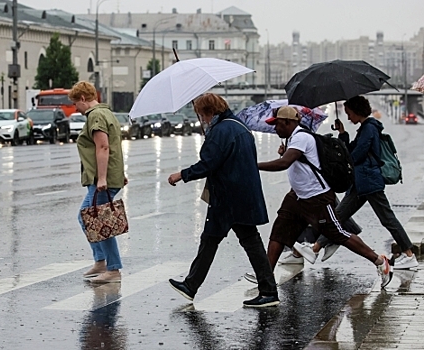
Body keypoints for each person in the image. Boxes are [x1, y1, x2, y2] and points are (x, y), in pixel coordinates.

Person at [255, 106, 393, 289]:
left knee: (339, 234)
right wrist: (285, 151)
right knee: (279, 234)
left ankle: (380, 262)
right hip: (297, 197)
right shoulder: (293, 138)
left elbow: (284, 163)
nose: (275, 128)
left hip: (317, 197)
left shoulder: (302, 137)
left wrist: (253, 165)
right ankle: (266, 280)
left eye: (277, 124)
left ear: (289, 122)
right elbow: (294, 161)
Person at [167, 93, 279, 308]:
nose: (202, 119)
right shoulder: (238, 126)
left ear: (209, 112)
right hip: (240, 193)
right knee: (231, 240)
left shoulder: (221, 131)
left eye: (202, 114)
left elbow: (209, 163)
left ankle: (268, 291)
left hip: (228, 196)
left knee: (220, 241)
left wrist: (182, 174)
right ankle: (192, 285)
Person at [295, 96, 418, 269]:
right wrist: (343, 134)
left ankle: (409, 255)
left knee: (387, 219)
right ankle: (315, 248)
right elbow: (352, 149)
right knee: (337, 217)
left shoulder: (370, 128)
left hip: (368, 181)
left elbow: (357, 154)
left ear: (356, 111)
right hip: (361, 183)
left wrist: (344, 162)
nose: (348, 117)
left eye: (349, 113)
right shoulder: (364, 128)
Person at [70, 81, 127, 283]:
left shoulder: (95, 116)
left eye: (76, 103)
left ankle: (112, 269)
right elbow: (114, 144)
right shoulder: (107, 113)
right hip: (108, 176)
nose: (75, 108)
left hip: (101, 179)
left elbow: (103, 147)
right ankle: (101, 261)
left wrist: (103, 177)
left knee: (98, 221)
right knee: (92, 219)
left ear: (83, 99)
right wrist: (119, 173)